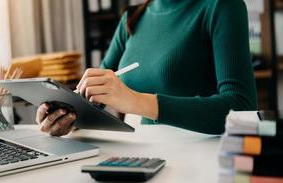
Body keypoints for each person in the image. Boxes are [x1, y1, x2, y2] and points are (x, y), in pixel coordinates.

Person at [36, 0, 257, 136]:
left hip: (194, 159)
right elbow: (94, 93)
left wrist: (136, 101)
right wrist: (66, 116)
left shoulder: (222, 6)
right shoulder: (132, 18)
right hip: (140, 155)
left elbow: (241, 107)